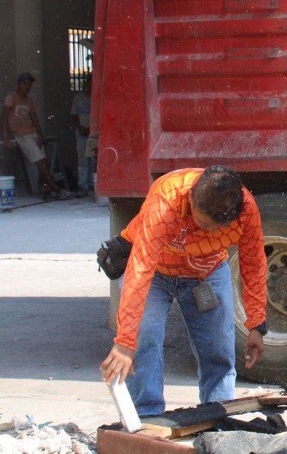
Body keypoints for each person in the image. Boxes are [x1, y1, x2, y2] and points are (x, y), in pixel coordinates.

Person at [99, 166, 269, 416]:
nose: (205, 233)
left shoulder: (246, 208)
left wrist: (256, 322)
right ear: (190, 200)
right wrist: (125, 341)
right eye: (201, 223)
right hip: (155, 271)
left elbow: (253, 262)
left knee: (218, 350)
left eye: (214, 229)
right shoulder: (166, 200)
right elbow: (141, 267)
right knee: (144, 339)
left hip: (206, 272)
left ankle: (218, 417)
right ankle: (147, 418)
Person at [1, 72, 69, 200]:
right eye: (25, 84)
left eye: (29, 85)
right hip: (21, 135)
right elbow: (4, 118)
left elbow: (35, 119)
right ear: (19, 84)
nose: (27, 87)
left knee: (43, 162)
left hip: (32, 133)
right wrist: (5, 138)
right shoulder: (12, 97)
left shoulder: (29, 100)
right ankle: (57, 189)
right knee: (41, 163)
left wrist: (39, 135)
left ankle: (48, 190)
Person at [70, 76, 94, 198]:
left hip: (93, 133)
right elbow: (74, 115)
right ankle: (83, 186)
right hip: (81, 133)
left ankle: (92, 185)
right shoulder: (78, 98)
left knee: (94, 160)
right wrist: (80, 128)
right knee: (83, 160)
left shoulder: (96, 98)